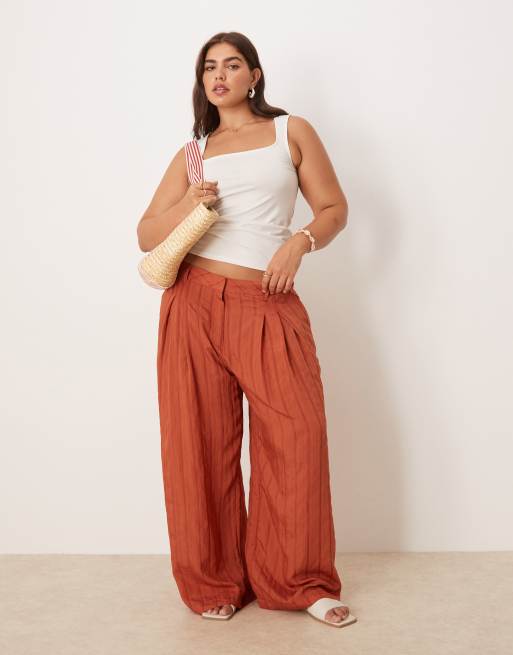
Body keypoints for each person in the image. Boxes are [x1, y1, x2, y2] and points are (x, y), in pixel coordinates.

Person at [137, 31, 355, 628]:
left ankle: (300, 581)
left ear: (254, 75)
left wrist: (299, 242)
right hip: (192, 302)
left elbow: (333, 209)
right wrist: (189, 204)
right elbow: (147, 233)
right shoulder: (194, 152)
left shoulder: (291, 132)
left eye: (232, 65)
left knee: (296, 435)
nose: (219, 76)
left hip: (268, 300)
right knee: (199, 445)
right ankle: (215, 580)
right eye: (209, 67)